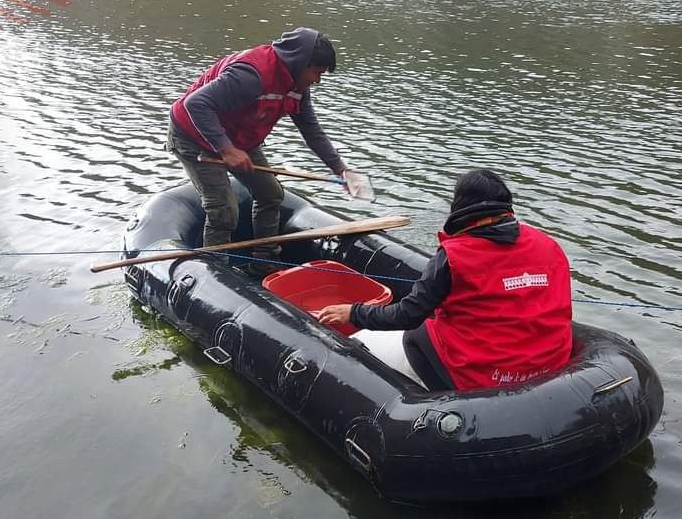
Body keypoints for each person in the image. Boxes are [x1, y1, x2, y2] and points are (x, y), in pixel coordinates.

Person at [318, 170, 573, 391]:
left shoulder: (453, 257)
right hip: (550, 367)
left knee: (416, 334)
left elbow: (407, 316)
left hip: (494, 375)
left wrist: (354, 313)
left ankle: (451, 404)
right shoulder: (548, 244)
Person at [166, 27, 354, 257]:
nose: (317, 80)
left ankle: (264, 257)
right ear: (299, 62)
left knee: (271, 195)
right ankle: (214, 268)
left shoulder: (298, 88)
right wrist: (226, 149)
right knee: (224, 209)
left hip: (239, 137)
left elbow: (312, 130)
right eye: (316, 72)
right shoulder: (251, 75)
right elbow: (195, 104)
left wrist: (340, 170)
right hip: (193, 135)